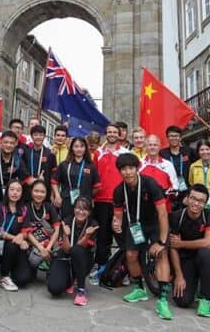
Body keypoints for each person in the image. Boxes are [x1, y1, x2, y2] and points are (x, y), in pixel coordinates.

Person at [111, 153, 172, 319]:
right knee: (131, 255)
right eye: (124, 169)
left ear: (137, 168)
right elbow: (117, 217)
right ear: (120, 171)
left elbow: (163, 214)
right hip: (135, 226)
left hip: (155, 223)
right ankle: (139, 289)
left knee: (161, 254)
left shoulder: (150, 183)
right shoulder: (118, 190)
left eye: (131, 168)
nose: (128, 172)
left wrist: (162, 241)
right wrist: (115, 223)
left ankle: (163, 300)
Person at [169, 184, 210, 317]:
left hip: (203, 259)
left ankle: (206, 299)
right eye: (193, 198)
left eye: (201, 201)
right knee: (182, 301)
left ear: (205, 203)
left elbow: (208, 243)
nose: (196, 203)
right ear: (187, 199)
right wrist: (178, 275)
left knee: (206, 253)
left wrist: (182, 243)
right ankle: (189, 283)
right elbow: (173, 247)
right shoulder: (176, 216)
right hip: (185, 260)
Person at [46, 196, 98, 306]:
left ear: (89, 212)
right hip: (66, 256)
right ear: (73, 209)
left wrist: (87, 236)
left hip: (83, 259)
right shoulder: (66, 221)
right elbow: (66, 249)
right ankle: (69, 280)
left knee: (77, 250)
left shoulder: (93, 224)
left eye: (85, 209)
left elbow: (79, 248)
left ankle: (81, 291)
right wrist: (65, 234)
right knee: (54, 289)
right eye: (78, 208)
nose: (81, 212)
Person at [93, 123, 128, 277]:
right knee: (102, 236)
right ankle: (101, 268)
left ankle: (124, 270)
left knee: (122, 236)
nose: (112, 134)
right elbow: (93, 176)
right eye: (109, 132)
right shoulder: (98, 153)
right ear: (105, 134)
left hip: (120, 201)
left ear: (119, 134)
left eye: (115, 132)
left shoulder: (126, 153)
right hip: (100, 200)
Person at [0, 179, 32, 290]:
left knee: (23, 280)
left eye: (18, 190)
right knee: (11, 245)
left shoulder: (24, 209)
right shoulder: (0, 207)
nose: (15, 193)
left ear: (22, 193)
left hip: (17, 246)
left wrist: (22, 236)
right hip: (1, 244)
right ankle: (4, 276)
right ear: (7, 191)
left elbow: (26, 229)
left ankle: (14, 271)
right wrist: (17, 238)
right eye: (12, 189)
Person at [52, 137, 101, 218]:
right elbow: (54, 181)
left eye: (82, 146)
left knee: (82, 226)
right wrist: (57, 195)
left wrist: (87, 194)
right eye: (76, 146)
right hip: (67, 201)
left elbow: (97, 186)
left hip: (84, 203)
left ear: (85, 148)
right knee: (66, 225)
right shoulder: (64, 164)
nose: (79, 149)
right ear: (72, 148)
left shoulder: (91, 166)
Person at [25, 180, 61, 272]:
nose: (39, 194)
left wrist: (48, 248)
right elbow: (27, 232)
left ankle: (52, 268)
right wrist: (41, 248)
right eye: (36, 191)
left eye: (42, 192)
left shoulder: (49, 206)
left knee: (60, 253)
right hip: (34, 243)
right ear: (31, 191)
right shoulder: (26, 207)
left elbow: (57, 229)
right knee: (34, 260)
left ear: (46, 193)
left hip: (49, 242)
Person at [0, 130, 29, 203]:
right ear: (1, 142)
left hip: (10, 202)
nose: (8, 145)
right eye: (6, 142)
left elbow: (27, 178)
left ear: (16, 144)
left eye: (11, 143)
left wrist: (38, 181)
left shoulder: (18, 160)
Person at [140, 135, 178, 212]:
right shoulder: (139, 164)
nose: (152, 147)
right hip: (144, 209)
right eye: (150, 145)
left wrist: (168, 193)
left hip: (164, 208)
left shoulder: (168, 164)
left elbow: (175, 186)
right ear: (146, 147)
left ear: (159, 147)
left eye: (155, 145)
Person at [159, 125, 198, 200]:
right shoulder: (162, 153)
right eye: (171, 136)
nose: (174, 138)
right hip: (169, 191)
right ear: (167, 138)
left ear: (180, 137)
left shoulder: (188, 151)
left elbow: (205, 158)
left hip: (187, 191)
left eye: (176, 136)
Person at [23, 124, 57, 201]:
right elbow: (22, 170)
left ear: (44, 136)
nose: (38, 137)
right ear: (31, 136)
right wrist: (29, 179)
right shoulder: (26, 153)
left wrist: (52, 193)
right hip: (28, 191)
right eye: (35, 135)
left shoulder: (50, 154)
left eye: (41, 135)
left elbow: (54, 175)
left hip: (44, 192)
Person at [187, 140, 210, 211]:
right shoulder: (193, 166)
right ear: (198, 152)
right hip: (197, 203)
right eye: (202, 150)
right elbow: (191, 183)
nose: (205, 152)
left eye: (207, 149)